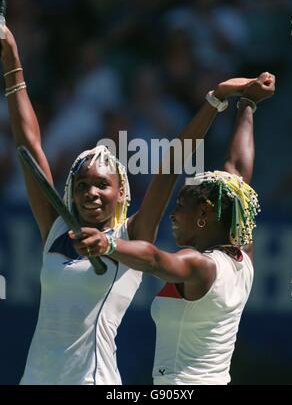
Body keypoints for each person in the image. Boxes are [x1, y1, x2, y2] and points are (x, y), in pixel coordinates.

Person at [1, 25, 258, 385]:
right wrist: (12, 59)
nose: (91, 192)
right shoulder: (57, 228)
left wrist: (214, 102)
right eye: (83, 184)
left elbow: (171, 166)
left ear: (122, 193)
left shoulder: (132, 234)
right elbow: (29, 146)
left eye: (103, 185)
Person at [70, 72, 275, 385]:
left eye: (180, 207)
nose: (172, 215)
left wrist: (109, 244)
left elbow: (153, 259)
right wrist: (247, 104)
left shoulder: (200, 264)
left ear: (204, 215)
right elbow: (238, 171)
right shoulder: (242, 254)